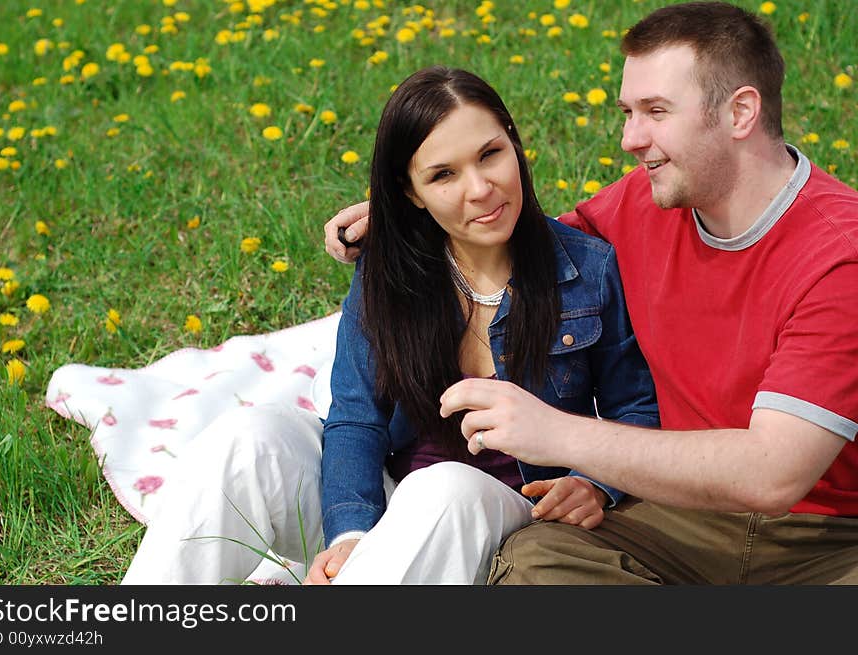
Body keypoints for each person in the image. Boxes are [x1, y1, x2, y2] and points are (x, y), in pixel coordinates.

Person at [324, 1, 858, 584]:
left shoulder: (840, 254)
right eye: (628, 111)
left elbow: (772, 474)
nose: (631, 138)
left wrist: (556, 434)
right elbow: (521, 240)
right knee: (537, 563)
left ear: (740, 112)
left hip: (827, 539)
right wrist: (415, 213)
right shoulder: (644, 202)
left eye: (655, 111)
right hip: (676, 515)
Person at [121, 66, 658, 585]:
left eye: (490, 154)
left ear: (515, 146)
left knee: (442, 487)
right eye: (443, 175)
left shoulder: (588, 270)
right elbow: (356, 418)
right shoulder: (388, 272)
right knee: (252, 437)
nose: (480, 188)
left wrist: (596, 484)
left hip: (504, 518)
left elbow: (634, 406)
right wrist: (350, 535)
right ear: (409, 192)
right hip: (388, 505)